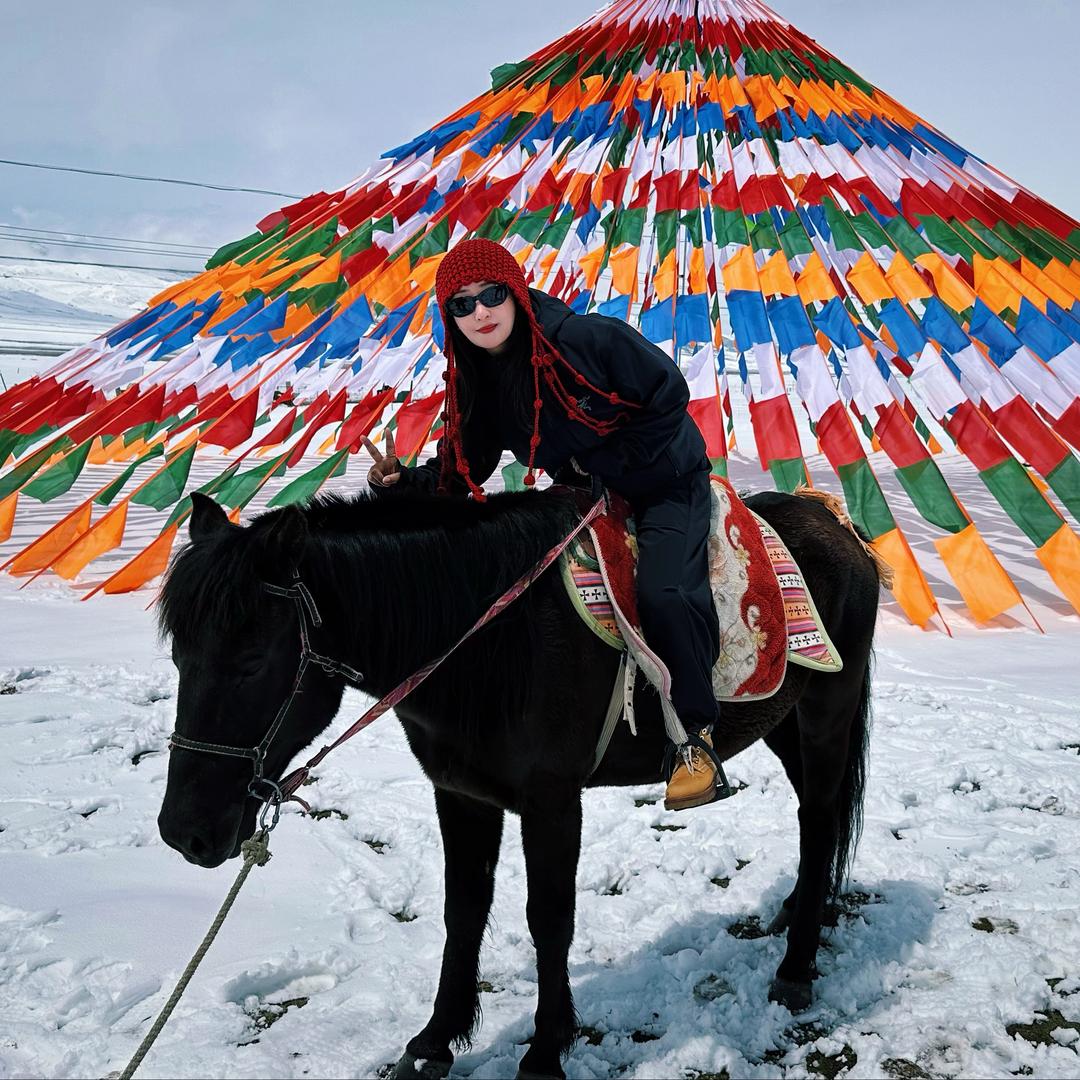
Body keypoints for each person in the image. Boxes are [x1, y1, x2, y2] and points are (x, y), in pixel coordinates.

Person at [364, 238, 729, 810]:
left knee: (664, 593)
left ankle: (693, 740)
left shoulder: (587, 338)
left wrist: (620, 467)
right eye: (461, 305)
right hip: (583, 495)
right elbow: (470, 464)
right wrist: (405, 485)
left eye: (491, 295)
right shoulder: (477, 378)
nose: (480, 313)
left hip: (664, 485)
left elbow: (669, 393)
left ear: (516, 292)